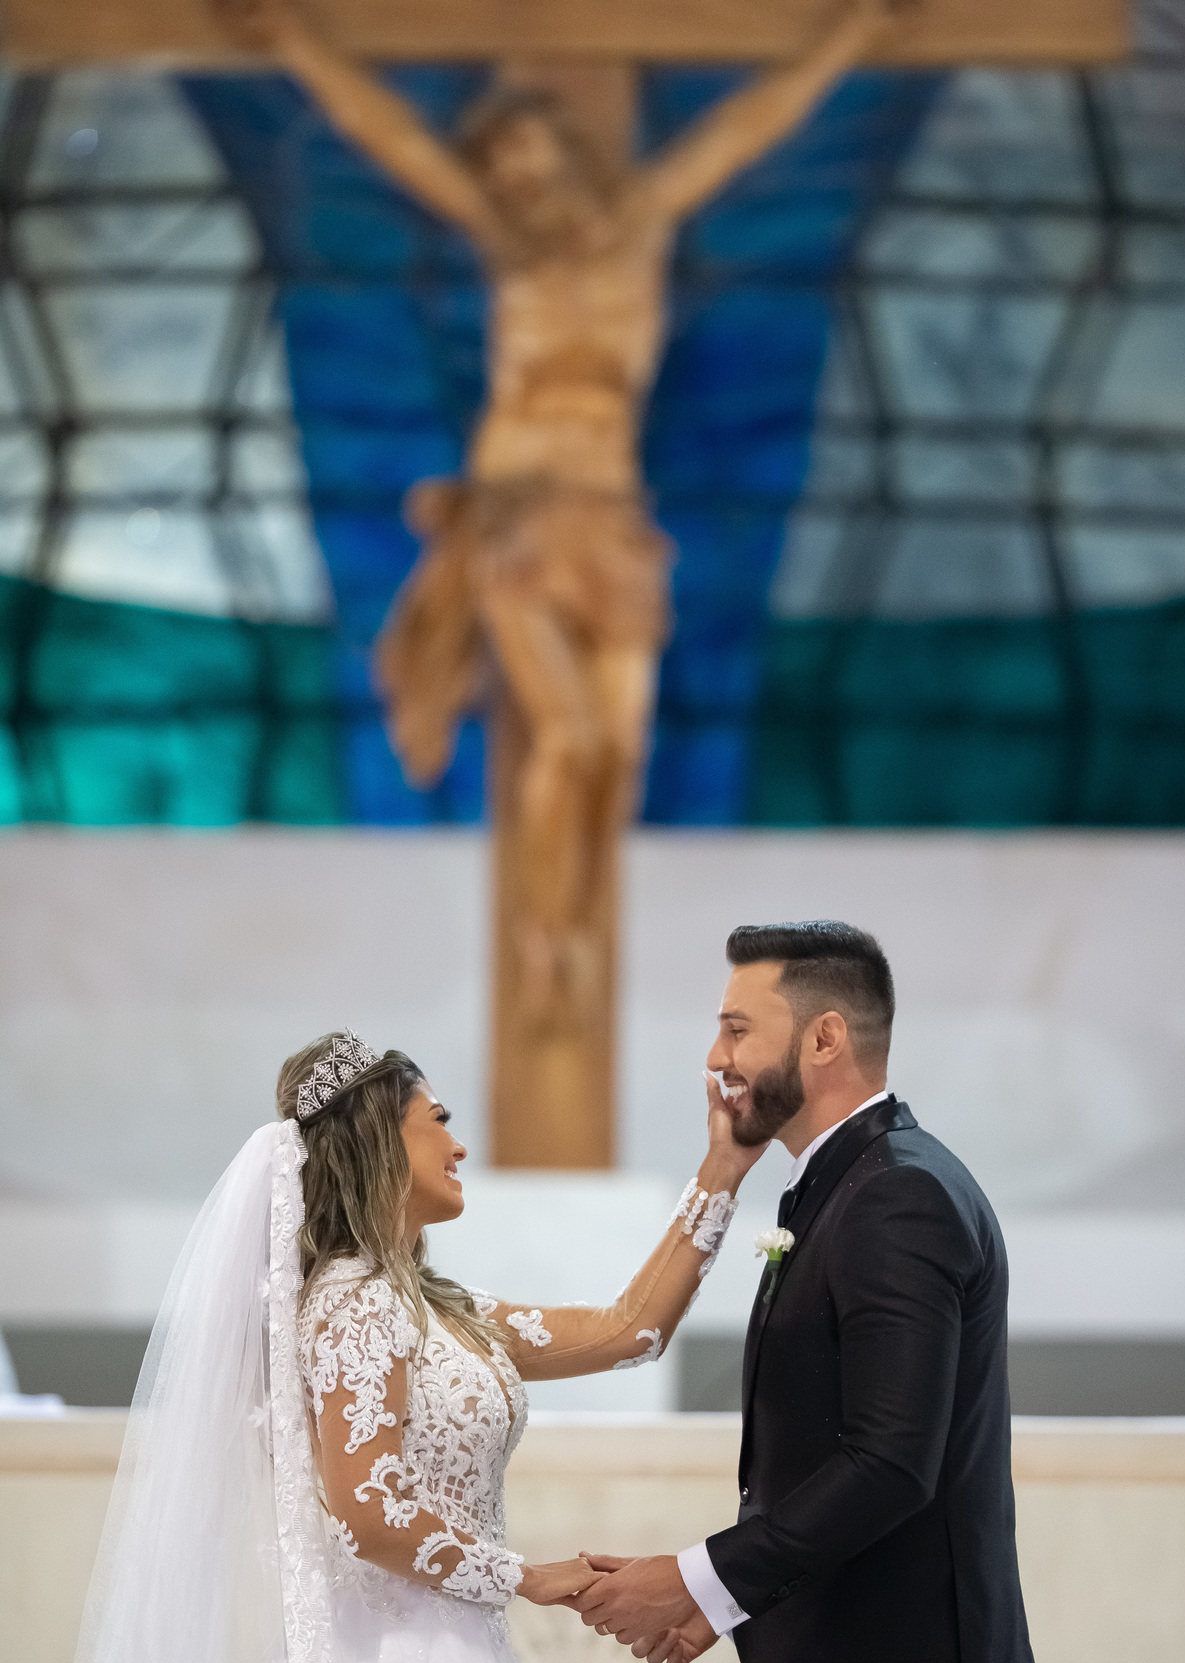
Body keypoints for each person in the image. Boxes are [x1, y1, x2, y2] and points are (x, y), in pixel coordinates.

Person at [213, 0, 901, 1025]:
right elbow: (390, 136)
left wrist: (852, 36)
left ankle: (577, 921)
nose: (522, 183)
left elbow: (744, 126)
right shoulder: (504, 241)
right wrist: (298, 47)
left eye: (533, 157)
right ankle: (546, 943)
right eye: (503, 172)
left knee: (618, 751)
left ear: (570, 150)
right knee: (568, 739)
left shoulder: (642, 222)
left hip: (614, 526)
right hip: (521, 517)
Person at [49, 1029, 745, 1663]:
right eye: (440, 1119)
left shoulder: (436, 1309)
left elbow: (629, 1331)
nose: (460, 1146)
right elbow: (367, 1509)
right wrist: (526, 1577)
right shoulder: (353, 1301)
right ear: (382, 1136)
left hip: (458, 1660)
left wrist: (725, 1163)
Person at [576, 921, 1037, 1663]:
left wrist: (700, 1581)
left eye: (738, 1029)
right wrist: (732, 1600)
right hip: (844, 1655)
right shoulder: (851, 1181)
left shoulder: (898, 1194)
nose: (717, 1057)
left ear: (825, 1037)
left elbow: (892, 1460)